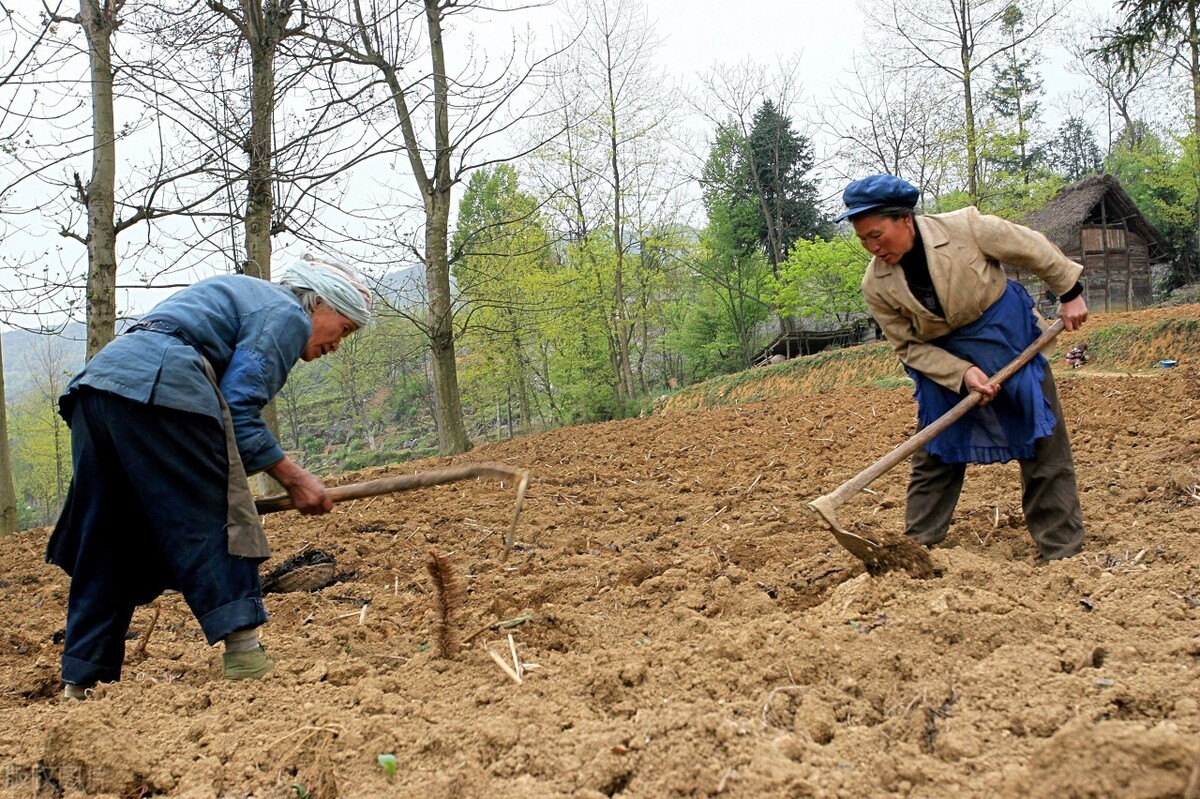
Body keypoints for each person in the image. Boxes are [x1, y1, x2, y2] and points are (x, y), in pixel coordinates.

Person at [47, 254, 372, 700]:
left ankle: (78, 680)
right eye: (345, 329)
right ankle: (245, 656)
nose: (338, 345)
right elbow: (238, 409)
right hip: (163, 384)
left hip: (97, 390)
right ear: (320, 304)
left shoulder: (250, 298)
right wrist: (294, 478)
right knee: (220, 513)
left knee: (108, 536)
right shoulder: (287, 313)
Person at [836, 174, 1088, 561]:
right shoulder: (876, 284)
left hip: (1006, 338)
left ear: (905, 219)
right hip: (944, 359)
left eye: (876, 235)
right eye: (863, 240)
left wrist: (1069, 294)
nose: (872, 248)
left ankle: (1062, 549)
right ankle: (917, 547)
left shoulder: (965, 228)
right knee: (936, 450)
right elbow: (908, 346)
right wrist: (960, 374)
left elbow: (1031, 248)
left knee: (1041, 438)